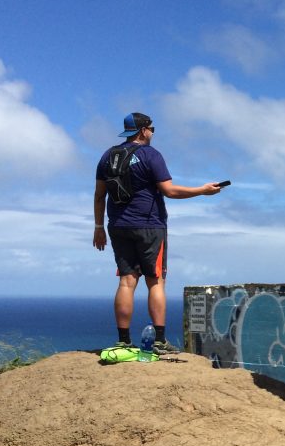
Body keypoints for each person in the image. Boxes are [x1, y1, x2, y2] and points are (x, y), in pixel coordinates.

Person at [93, 112, 223, 352]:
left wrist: (98, 227)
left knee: (126, 281)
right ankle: (160, 341)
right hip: (150, 225)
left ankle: (123, 341)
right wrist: (203, 191)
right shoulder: (150, 155)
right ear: (143, 130)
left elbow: (100, 195)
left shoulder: (107, 156)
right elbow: (169, 191)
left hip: (118, 225)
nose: (153, 133)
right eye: (152, 128)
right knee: (155, 282)